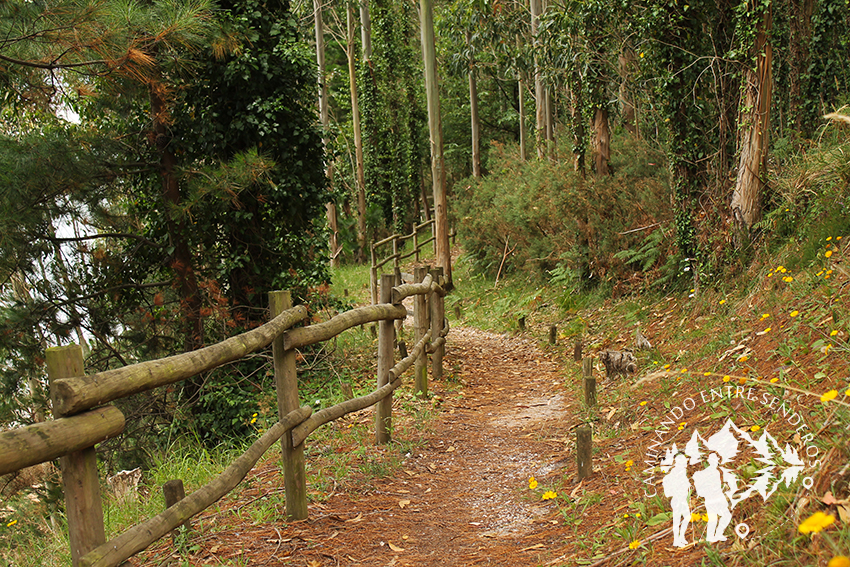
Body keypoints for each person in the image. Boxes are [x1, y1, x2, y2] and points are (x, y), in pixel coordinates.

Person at [692, 453, 733, 542]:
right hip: (711, 498)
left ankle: (718, 534)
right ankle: (711, 537)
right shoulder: (707, 472)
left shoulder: (716, 472)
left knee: (726, 516)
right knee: (713, 518)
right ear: (709, 461)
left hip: (718, 497)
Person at [662, 453, 691, 547]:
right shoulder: (673, 475)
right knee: (677, 520)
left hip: (683, 499)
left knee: (687, 517)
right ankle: (676, 539)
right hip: (677, 500)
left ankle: (681, 537)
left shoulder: (683, 473)